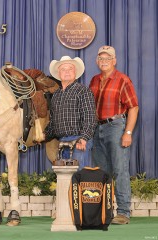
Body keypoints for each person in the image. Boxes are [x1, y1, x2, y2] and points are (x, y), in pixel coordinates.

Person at [89, 46, 139, 225]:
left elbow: (133, 106)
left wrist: (128, 132)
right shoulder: (94, 80)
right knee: (103, 172)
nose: (104, 61)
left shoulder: (123, 80)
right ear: (97, 61)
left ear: (114, 61)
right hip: (97, 128)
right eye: (101, 58)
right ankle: (105, 211)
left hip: (116, 126)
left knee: (119, 169)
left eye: (107, 58)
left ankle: (123, 212)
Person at [43, 56, 97, 169]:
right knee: (65, 176)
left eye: (70, 69)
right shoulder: (56, 95)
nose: (67, 72)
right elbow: (53, 121)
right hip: (62, 142)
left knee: (78, 176)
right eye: (63, 69)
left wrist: (84, 138)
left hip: (79, 141)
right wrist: (44, 135)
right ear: (59, 73)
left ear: (75, 72)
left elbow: (90, 117)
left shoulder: (83, 91)